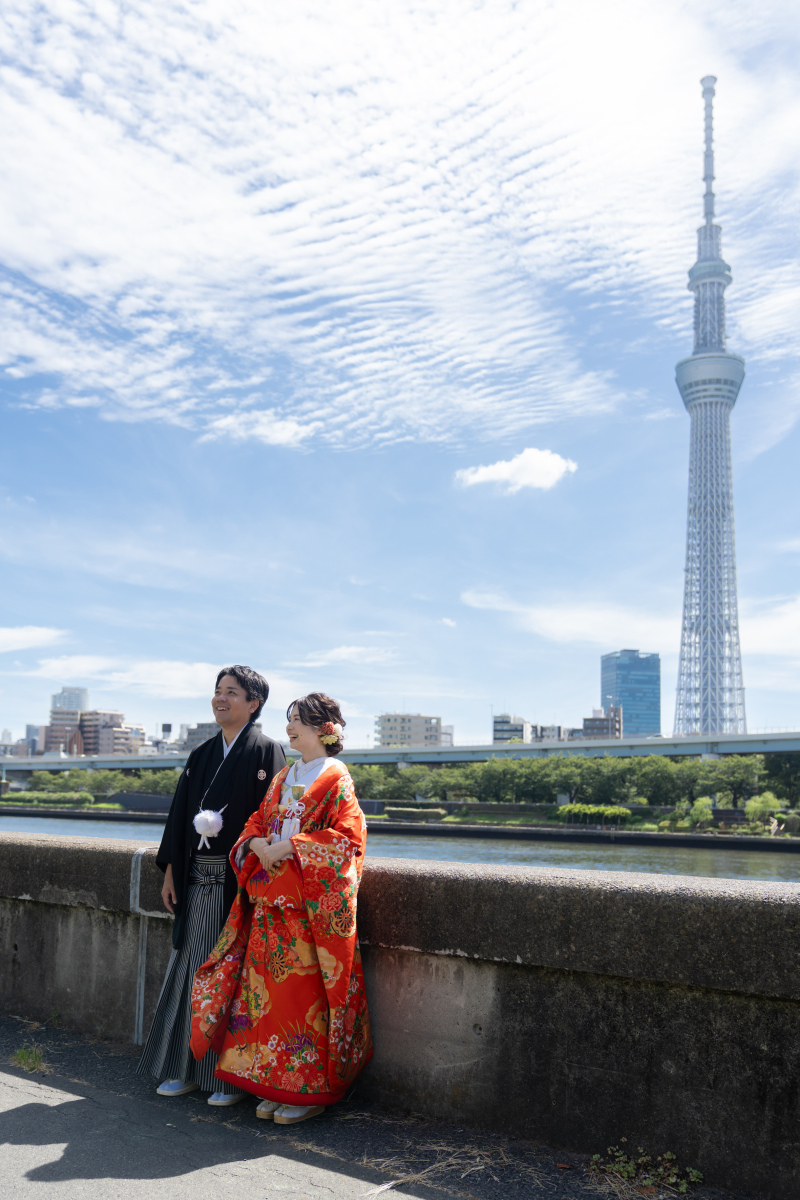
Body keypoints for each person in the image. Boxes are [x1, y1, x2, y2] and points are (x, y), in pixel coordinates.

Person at [189, 692, 372, 1125]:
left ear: (325, 729)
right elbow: (258, 818)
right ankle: (274, 1080)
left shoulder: (336, 778)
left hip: (305, 911)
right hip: (270, 903)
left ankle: (308, 1090)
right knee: (266, 999)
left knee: (301, 998)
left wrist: (291, 846)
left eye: (300, 721)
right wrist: (255, 843)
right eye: (289, 719)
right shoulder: (285, 776)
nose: (290, 727)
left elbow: (347, 839)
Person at [138, 666, 285, 1106]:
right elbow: (180, 817)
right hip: (198, 877)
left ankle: (230, 1080)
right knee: (193, 970)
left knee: (237, 975)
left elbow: (273, 820)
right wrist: (170, 871)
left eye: (232, 693)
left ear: (253, 703)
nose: (221, 699)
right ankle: (184, 1069)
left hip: (239, 883)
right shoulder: (201, 754)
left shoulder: (267, 751)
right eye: (217, 692)